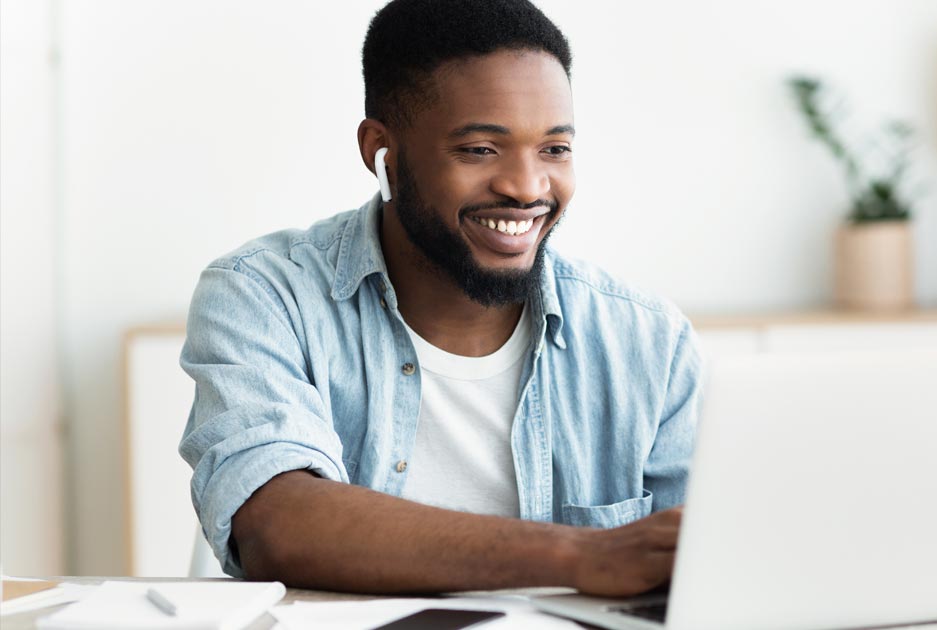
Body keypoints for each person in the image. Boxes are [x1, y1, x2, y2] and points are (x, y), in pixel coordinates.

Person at [179, 0, 702, 596]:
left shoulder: (649, 341)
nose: (527, 188)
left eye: (554, 149)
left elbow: (714, 565)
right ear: (383, 151)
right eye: (480, 149)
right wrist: (581, 554)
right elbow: (278, 525)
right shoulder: (265, 297)